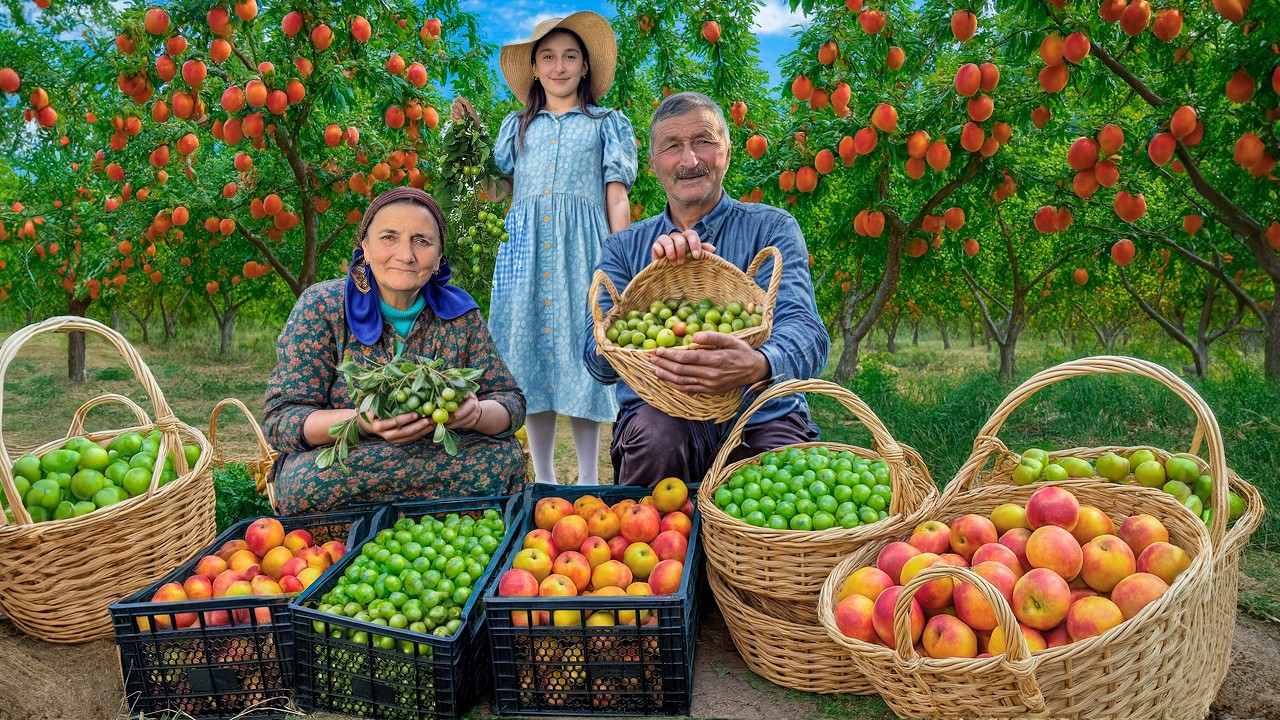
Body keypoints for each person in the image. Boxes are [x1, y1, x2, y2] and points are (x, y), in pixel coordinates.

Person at [583, 91, 829, 487]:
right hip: (659, 417)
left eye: (703, 141)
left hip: (762, 414)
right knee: (656, 439)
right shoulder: (623, 248)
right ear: (653, 164)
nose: (689, 159)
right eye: (672, 146)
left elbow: (807, 334)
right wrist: (652, 288)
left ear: (727, 152)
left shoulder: (771, 228)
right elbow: (595, 360)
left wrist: (758, 364)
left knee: (787, 482)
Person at [452, 11, 637, 487]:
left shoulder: (605, 123)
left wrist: (621, 262)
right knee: (528, 355)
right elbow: (494, 191)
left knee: (582, 355)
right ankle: (546, 478)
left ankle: (589, 477)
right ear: (534, 68)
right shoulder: (517, 126)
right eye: (549, 57)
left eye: (570, 57)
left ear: (585, 67)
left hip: (583, 252)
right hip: (524, 252)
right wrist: (469, 141)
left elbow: (617, 195)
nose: (560, 66)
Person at [262, 187, 527, 515]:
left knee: (505, 459)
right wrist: (360, 422)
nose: (405, 255)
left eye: (422, 241)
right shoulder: (323, 307)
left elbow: (510, 403)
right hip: (353, 461)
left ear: (439, 257)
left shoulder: (461, 315)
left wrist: (477, 414)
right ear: (365, 248)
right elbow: (281, 419)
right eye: (389, 237)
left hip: (442, 456)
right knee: (303, 483)